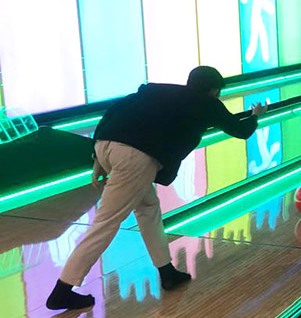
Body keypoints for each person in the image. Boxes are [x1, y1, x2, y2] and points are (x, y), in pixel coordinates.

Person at [46, 66, 268, 311]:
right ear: (214, 90)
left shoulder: (152, 91)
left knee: (148, 208)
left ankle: (167, 271)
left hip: (105, 145)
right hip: (135, 159)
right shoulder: (207, 103)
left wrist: (98, 159)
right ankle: (62, 290)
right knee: (107, 221)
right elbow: (240, 130)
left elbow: (113, 113)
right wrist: (256, 115)